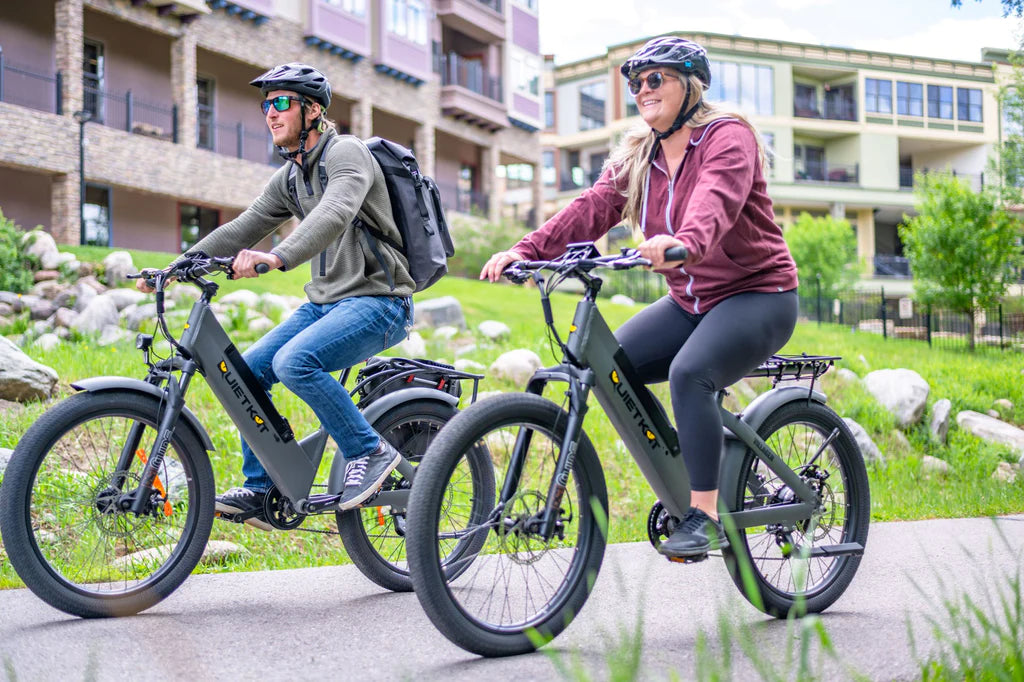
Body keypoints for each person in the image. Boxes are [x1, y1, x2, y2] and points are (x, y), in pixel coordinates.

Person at [480, 36, 799, 559]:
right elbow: (592, 206)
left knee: (688, 375)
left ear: (691, 85)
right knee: (613, 367)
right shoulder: (640, 154)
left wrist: (682, 245)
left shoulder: (727, 137)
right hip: (690, 301)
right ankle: (693, 458)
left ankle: (705, 513)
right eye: (636, 82)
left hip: (758, 294)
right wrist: (527, 250)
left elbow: (714, 201)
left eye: (656, 79)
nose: (643, 89)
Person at [138, 63, 415, 530]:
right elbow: (244, 227)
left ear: (313, 110)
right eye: (266, 104)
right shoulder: (291, 176)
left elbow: (335, 211)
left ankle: (370, 451)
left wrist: (278, 257)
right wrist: (176, 267)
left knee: (294, 362)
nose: (270, 112)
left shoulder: (346, 154)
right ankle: (263, 486)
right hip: (327, 304)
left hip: (380, 301)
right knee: (242, 373)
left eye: (282, 102)